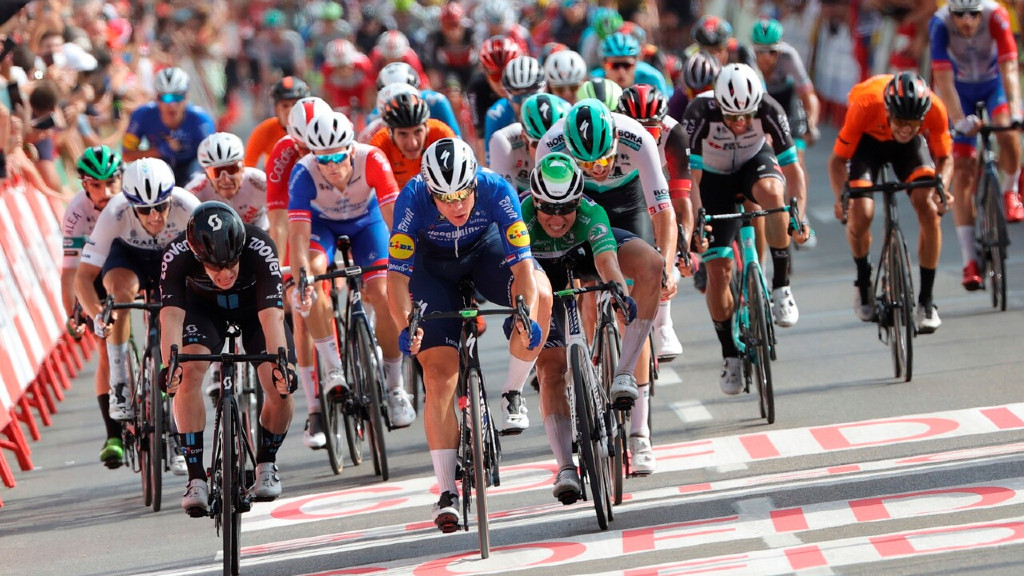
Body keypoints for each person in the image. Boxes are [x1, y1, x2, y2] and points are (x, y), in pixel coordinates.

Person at [387, 138, 552, 532]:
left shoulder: (497, 189)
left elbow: (523, 267)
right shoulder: (411, 199)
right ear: (430, 191)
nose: (457, 205)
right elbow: (396, 279)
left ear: (475, 183)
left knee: (542, 295)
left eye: (463, 194)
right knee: (438, 374)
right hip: (432, 269)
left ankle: (513, 390)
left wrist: (526, 313)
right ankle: (446, 490)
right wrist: (406, 325)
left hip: (485, 254)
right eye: (445, 199)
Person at [535, 99, 677, 473]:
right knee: (580, 287)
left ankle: (640, 432)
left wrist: (667, 265)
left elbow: (663, 211)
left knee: (637, 293)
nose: (597, 169)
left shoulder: (637, 138)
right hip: (575, 207)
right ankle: (582, 373)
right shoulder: (550, 145)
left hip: (627, 202)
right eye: (587, 163)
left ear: (616, 141)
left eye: (603, 159)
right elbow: (546, 212)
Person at [524, 153, 664, 494]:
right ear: (535, 201)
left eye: (566, 208)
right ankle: (565, 467)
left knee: (652, 263)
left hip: (583, 255)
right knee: (550, 369)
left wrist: (619, 291)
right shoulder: (520, 216)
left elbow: (606, 261)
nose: (557, 218)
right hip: (541, 274)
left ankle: (624, 372)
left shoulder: (591, 213)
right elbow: (516, 275)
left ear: (578, 200)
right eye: (548, 209)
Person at [160, 202, 295, 516]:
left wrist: (282, 366)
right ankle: (196, 478)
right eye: (213, 267)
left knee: (279, 382)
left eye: (231, 264)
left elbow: (273, 317)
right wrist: (170, 366)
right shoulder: (176, 254)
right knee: (186, 373)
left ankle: (266, 462)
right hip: (202, 311)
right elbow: (171, 318)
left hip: (254, 310)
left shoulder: (260, 246)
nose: (224, 274)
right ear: (197, 257)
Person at [682, 63, 808, 394]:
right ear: (718, 105)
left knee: (773, 194)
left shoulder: (769, 108)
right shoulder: (700, 112)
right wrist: (697, 223)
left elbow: (793, 169)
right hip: (712, 180)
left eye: (746, 116)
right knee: (719, 270)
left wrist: (800, 218)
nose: (740, 123)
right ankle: (730, 354)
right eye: (732, 117)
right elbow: (692, 180)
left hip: (754, 163)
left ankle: (781, 286)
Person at [288, 111, 415, 431]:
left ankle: (395, 386)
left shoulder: (372, 158)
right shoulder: (303, 172)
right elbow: (298, 236)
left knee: (383, 293)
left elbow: (394, 219)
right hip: (324, 228)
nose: (331, 166)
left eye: (338, 157)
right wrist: (302, 277)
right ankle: (333, 368)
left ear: (351, 150)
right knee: (312, 276)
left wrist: (407, 264)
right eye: (323, 159)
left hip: (367, 224)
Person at [74, 158, 201, 421]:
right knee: (120, 293)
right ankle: (120, 383)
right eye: (144, 210)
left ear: (171, 198)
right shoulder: (115, 211)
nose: (154, 216)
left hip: (171, 256)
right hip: (129, 257)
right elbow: (83, 277)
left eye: (161, 206)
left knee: (179, 300)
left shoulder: (188, 206)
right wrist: (97, 314)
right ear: (131, 204)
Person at [828, 72, 952, 333]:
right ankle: (863, 279)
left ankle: (926, 301)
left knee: (929, 209)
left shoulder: (935, 108)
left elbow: (945, 157)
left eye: (913, 123)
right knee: (861, 214)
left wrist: (942, 189)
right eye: (901, 121)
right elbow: (837, 161)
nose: (906, 129)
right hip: (868, 145)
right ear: (887, 111)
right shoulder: (865, 105)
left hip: (908, 150)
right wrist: (841, 197)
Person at [929, 0, 1024, 293]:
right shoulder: (940, 23)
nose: (967, 20)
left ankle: (1010, 190)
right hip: (960, 92)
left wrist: (1016, 111)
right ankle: (970, 260)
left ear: (982, 11)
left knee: (1007, 130)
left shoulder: (996, 15)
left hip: (994, 85)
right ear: (951, 12)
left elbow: (1009, 67)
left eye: (973, 13)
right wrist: (958, 120)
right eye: (960, 14)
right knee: (963, 171)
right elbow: (942, 78)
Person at [265, 96, 334, 448]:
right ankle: (315, 407)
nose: (312, 153)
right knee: (304, 307)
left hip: (339, 219)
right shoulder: (283, 154)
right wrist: (279, 270)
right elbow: (278, 223)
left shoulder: (341, 139)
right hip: (304, 228)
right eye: (304, 146)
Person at [618, 84, 692, 361]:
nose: (644, 138)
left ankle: (663, 324)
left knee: (664, 239)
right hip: (624, 188)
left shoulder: (674, 134)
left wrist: (683, 245)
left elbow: (681, 199)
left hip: (658, 187)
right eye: (637, 129)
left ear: (662, 123)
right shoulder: (613, 131)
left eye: (650, 130)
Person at [121, 67, 215, 186]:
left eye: (178, 97)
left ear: (187, 97)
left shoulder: (201, 120)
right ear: (157, 98)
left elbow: (213, 160)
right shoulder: (142, 116)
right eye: (166, 98)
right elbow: (127, 155)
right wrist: (160, 151)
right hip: (157, 168)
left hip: (191, 168)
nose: (172, 104)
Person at [489, 93, 570, 196]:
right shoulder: (505, 141)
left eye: (557, 143)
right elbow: (505, 198)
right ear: (524, 137)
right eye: (538, 144)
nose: (547, 151)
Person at [370, 91, 457, 188]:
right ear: (390, 133)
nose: (412, 143)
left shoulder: (442, 136)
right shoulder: (379, 147)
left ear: (427, 128)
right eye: (403, 134)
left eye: (418, 132)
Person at [188, 132, 269, 230]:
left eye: (231, 169)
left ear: (242, 167)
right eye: (216, 172)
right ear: (207, 175)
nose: (225, 179)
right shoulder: (193, 193)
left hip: (259, 233)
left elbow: (281, 216)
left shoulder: (259, 181)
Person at [484, 55, 547, 163]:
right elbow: (489, 165)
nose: (524, 102)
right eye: (518, 96)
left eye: (530, 95)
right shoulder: (496, 115)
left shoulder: (560, 108)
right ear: (507, 95)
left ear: (544, 91)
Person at [244, 76, 311, 169]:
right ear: (276, 109)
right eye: (285, 106)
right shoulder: (264, 130)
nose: (290, 110)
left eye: (295, 104)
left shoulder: (314, 127)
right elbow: (247, 166)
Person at [591, 32, 671, 95]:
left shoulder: (652, 79)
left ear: (636, 63)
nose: (621, 71)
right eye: (614, 66)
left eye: (627, 65)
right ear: (603, 65)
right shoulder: (592, 83)